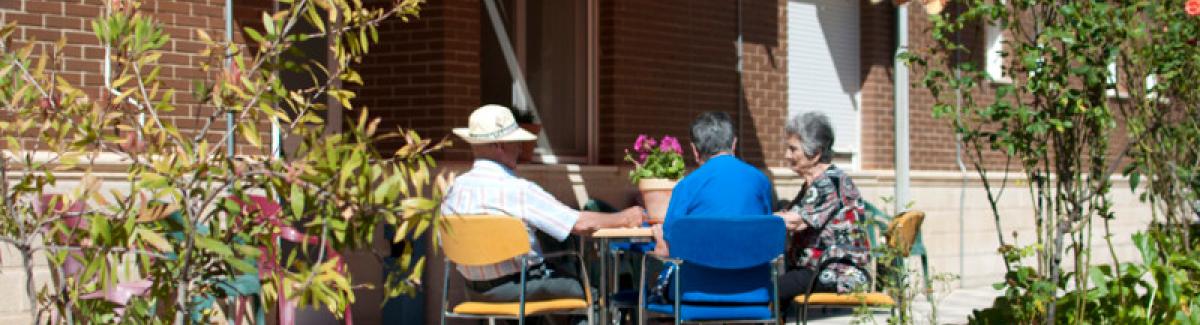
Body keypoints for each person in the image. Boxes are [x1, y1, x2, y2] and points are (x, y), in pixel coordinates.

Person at [440, 104, 646, 302]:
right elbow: (579, 224)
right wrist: (625, 218)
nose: (520, 149)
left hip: (473, 290)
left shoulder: (454, 190)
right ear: (500, 145)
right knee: (590, 293)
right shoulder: (518, 190)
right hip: (521, 287)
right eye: (516, 142)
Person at [775, 111, 872, 307]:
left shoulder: (830, 183)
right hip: (813, 269)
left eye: (793, 149)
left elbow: (793, 221)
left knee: (767, 288)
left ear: (815, 153)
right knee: (769, 286)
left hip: (839, 271)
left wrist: (754, 221)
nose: (787, 155)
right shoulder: (814, 184)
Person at [650, 111, 775, 256]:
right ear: (734, 144)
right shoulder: (760, 180)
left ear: (694, 150)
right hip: (753, 275)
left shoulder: (686, 186)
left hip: (701, 277)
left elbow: (670, 244)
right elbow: (766, 229)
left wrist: (660, 242)